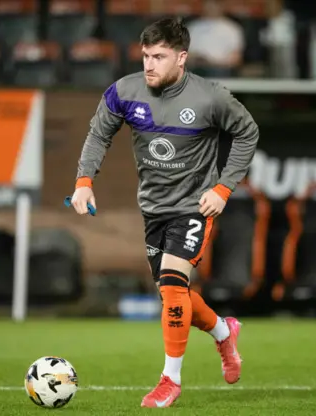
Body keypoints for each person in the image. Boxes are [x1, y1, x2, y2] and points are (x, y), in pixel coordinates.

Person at [69, 17, 259, 408]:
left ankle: (169, 380)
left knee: (173, 285)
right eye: (145, 56)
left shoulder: (211, 97)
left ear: (182, 58)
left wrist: (223, 188)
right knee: (176, 297)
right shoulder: (125, 91)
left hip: (193, 207)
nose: (149, 65)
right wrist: (84, 181)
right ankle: (224, 332)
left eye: (159, 56)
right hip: (153, 210)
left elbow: (247, 132)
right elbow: (98, 133)